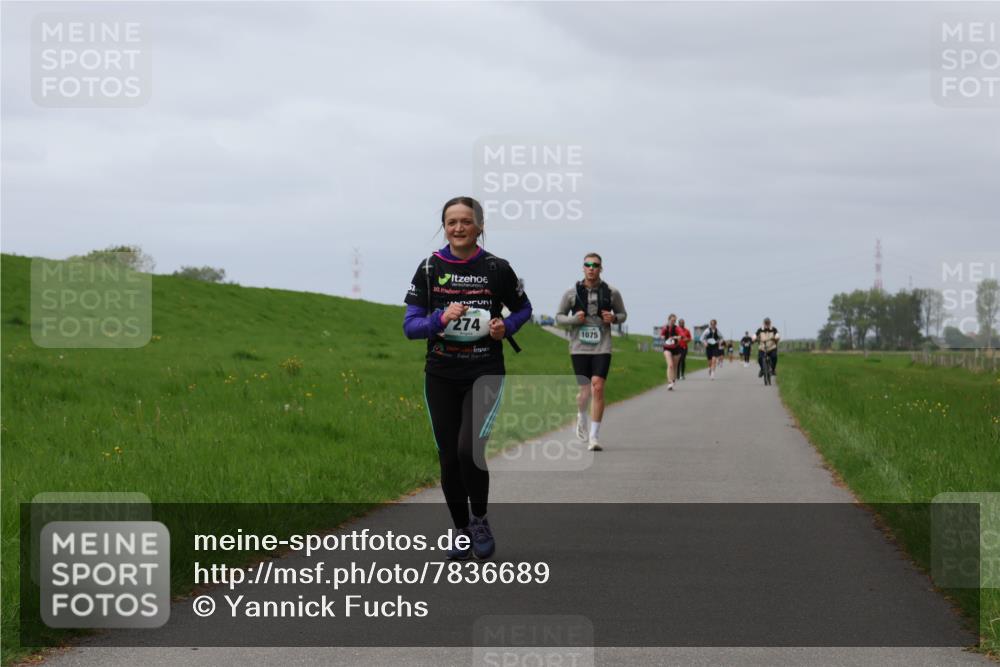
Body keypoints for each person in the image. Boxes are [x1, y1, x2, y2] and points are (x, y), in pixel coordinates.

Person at [404, 196, 532, 561]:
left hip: (484, 370)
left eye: (466, 221)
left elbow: (524, 308)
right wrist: (439, 320)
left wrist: (504, 326)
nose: (458, 228)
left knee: (468, 450)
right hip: (441, 373)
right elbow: (410, 327)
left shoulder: (497, 269)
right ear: (444, 226)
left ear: (480, 226)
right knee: (448, 459)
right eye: (451, 222)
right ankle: (460, 530)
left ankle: (480, 521)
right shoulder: (429, 268)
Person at [555, 253, 627, 451]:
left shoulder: (612, 292)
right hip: (579, 347)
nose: (591, 268)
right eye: (588, 265)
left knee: (597, 387)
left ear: (600, 268)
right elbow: (559, 317)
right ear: (583, 268)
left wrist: (613, 318)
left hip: (602, 345)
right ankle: (581, 415)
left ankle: (594, 437)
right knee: (585, 392)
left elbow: (623, 314)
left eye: (595, 265)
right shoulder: (572, 292)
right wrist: (573, 320)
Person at [660, 313, 686, 391]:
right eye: (672, 320)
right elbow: (661, 335)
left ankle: (673, 380)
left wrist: (678, 337)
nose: (673, 322)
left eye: (674, 320)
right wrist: (662, 337)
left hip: (676, 348)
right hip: (667, 348)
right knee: (670, 365)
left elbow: (682, 335)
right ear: (669, 320)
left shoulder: (677, 328)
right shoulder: (665, 327)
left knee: (675, 366)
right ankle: (669, 382)